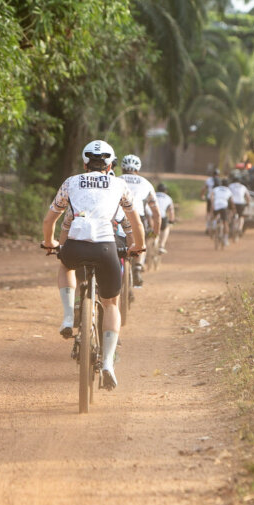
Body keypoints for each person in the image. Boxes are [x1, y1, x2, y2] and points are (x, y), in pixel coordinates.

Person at [42, 140, 146, 390]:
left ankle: (69, 317)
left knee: (66, 267)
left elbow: (50, 220)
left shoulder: (71, 182)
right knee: (111, 304)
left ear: (84, 163)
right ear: (110, 164)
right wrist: (138, 247)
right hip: (106, 248)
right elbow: (136, 224)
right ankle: (108, 362)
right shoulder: (119, 184)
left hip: (76, 246)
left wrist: (50, 243)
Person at [119, 154, 161, 287]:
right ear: (138, 168)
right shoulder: (146, 184)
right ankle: (137, 266)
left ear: (122, 167)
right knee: (141, 242)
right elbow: (156, 213)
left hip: (118, 218)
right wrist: (155, 233)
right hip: (138, 218)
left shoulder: (116, 180)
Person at [209, 177, 235, 244]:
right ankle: (226, 239)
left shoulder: (216, 189)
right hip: (224, 206)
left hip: (216, 205)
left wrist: (212, 204)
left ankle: (214, 225)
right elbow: (232, 201)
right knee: (225, 222)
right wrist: (233, 208)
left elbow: (211, 196)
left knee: (214, 217)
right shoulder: (228, 190)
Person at [155, 182, 176, 253]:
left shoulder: (153, 195)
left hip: (150, 216)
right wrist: (171, 221)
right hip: (161, 216)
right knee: (166, 228)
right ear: (165, 191)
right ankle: (161, 246)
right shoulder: (168, 198)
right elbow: (171, 211)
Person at [200, 167, 221, 233]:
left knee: (209, 213)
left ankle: (208, 227)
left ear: (212, 174)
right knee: (217, 213)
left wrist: (202, 195)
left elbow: (204, 188)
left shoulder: (209, 180)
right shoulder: (220, 180)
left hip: (210, 198)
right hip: (217, 199)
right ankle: (214, 226)